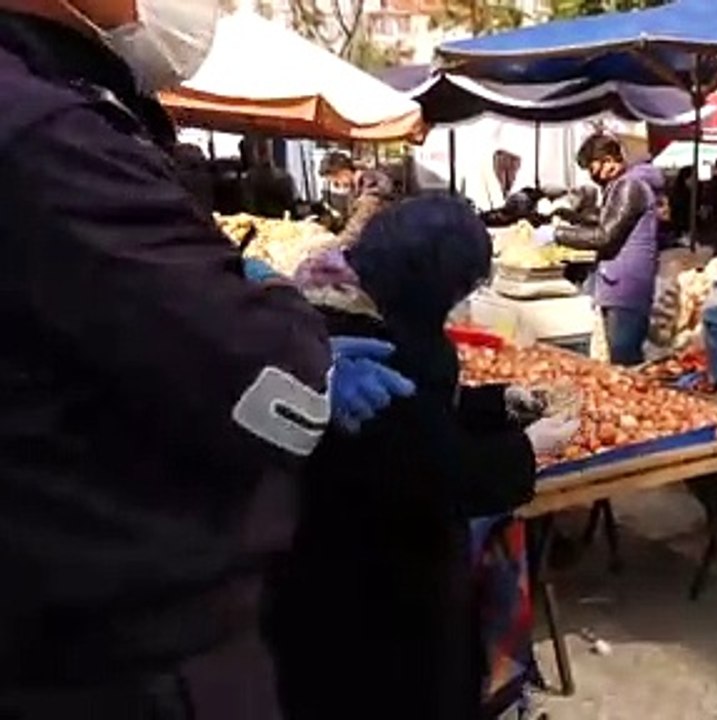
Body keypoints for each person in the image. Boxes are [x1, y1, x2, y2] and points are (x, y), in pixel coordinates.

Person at [0, 2, 415, 717]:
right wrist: (279, 310)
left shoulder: (53, 104)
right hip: (116, 653)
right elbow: (271, 384)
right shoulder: (42, 135)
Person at [267, 195, 580, 720]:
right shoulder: (367, 342)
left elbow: (424, 414)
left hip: (341, 568)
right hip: (369, 593)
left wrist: (495, 402)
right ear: (431, 279)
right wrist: (529, 448)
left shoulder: (350, 300)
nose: (459, 303)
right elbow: (430, 471)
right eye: (459, 289)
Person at [534, 134, 665, 366]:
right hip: (619, 283)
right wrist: (570, 216)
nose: (591, 176)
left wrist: (557, 235)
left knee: (623, 362)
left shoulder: (629, 186)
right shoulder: (623, 185)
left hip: (626, 288)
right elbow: (609, 219)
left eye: (592, 168)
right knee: (617, 358)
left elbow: (605, 236)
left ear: (609, 161)